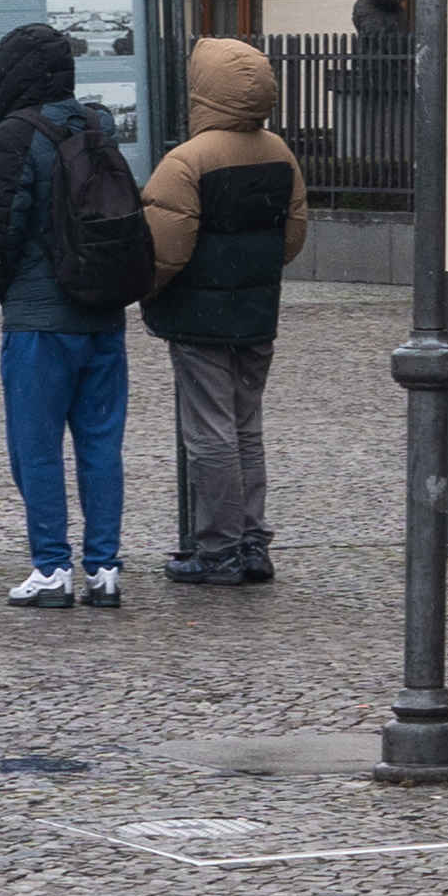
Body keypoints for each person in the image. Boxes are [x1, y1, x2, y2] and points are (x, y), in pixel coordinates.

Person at [141, 34, 309, 586]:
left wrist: (149, 291)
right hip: (257, 311)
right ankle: (254, 541)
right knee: (246, 428)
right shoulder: (280, 152)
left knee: (210, 432)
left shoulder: (186, 161)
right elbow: (292, 237)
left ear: (203, 91)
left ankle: (219, 549)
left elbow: (164, 252)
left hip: (199, 317)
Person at [0, 21, 132, 608]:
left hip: (39, 321)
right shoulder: (98, 126)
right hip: (102, 313)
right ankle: (104, 568)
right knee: (101, 445)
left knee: (36, 447)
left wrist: (7, 292)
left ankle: (51, 569)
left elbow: (3, 228)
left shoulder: (17, 133)